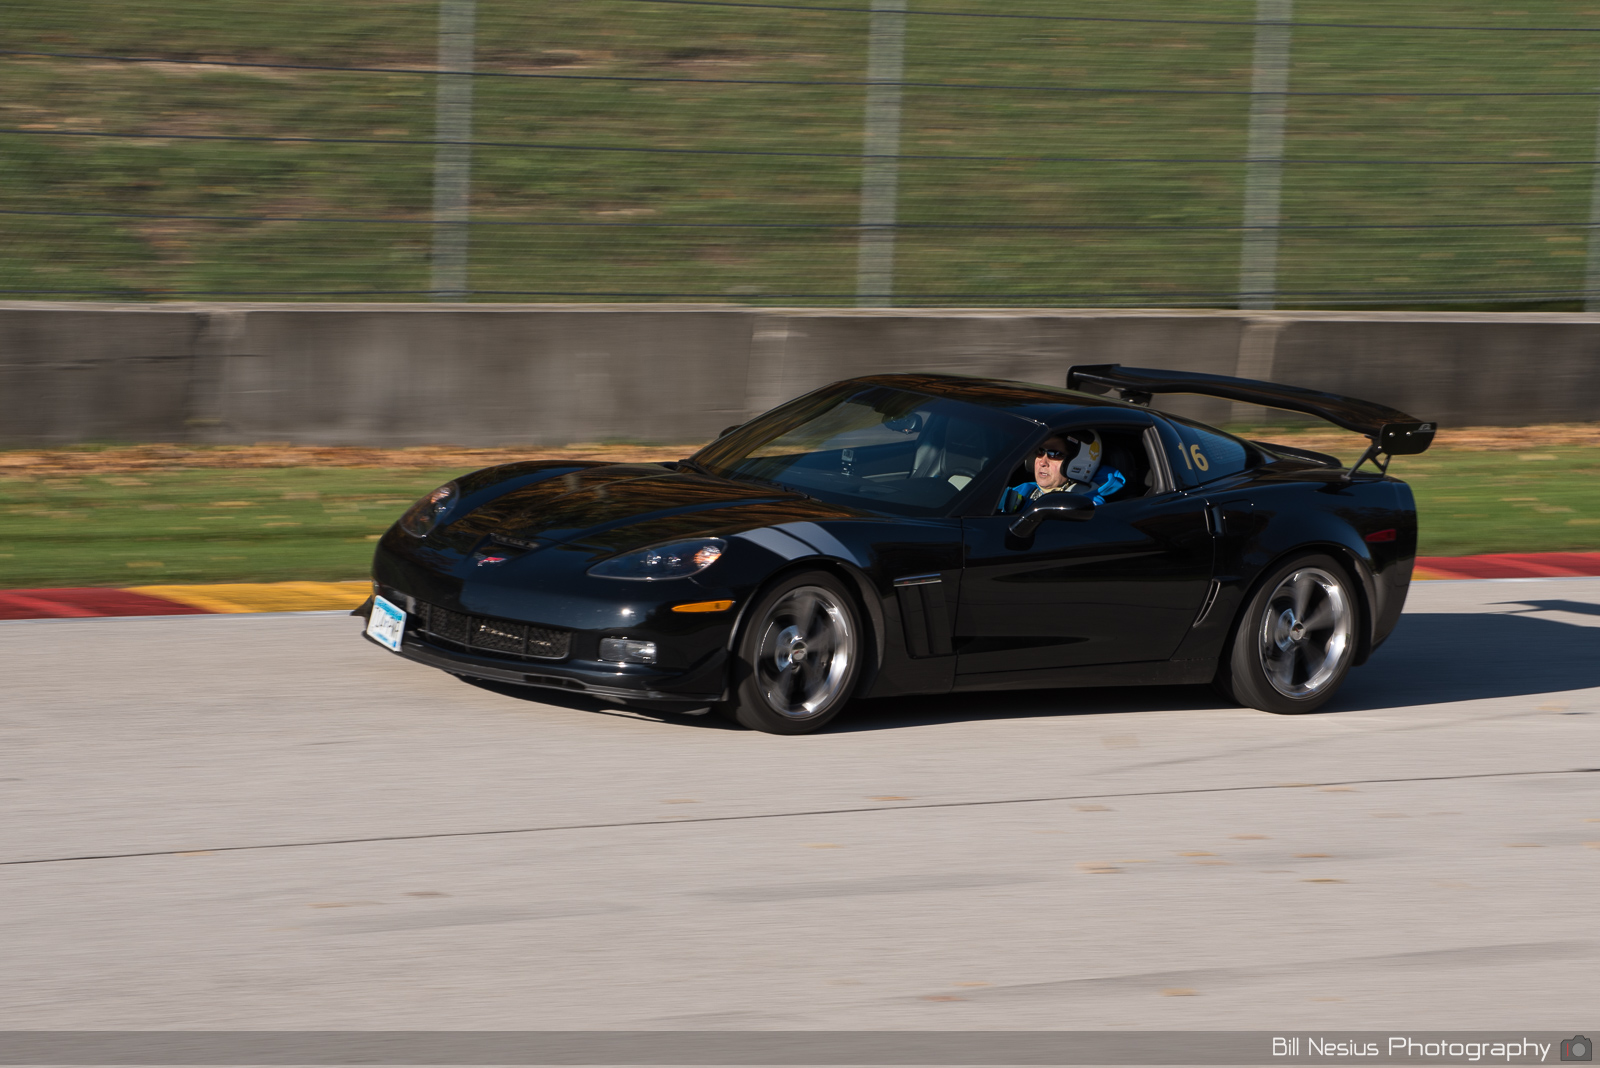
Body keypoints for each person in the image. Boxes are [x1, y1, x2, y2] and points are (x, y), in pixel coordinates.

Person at [1001, 429, 1125, 513]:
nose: (1042, 462)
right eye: (1040, 452)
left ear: (1079, 461)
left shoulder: (1087, 505)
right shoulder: (1025, 489)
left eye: (1054, 454)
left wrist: (1020, 505)